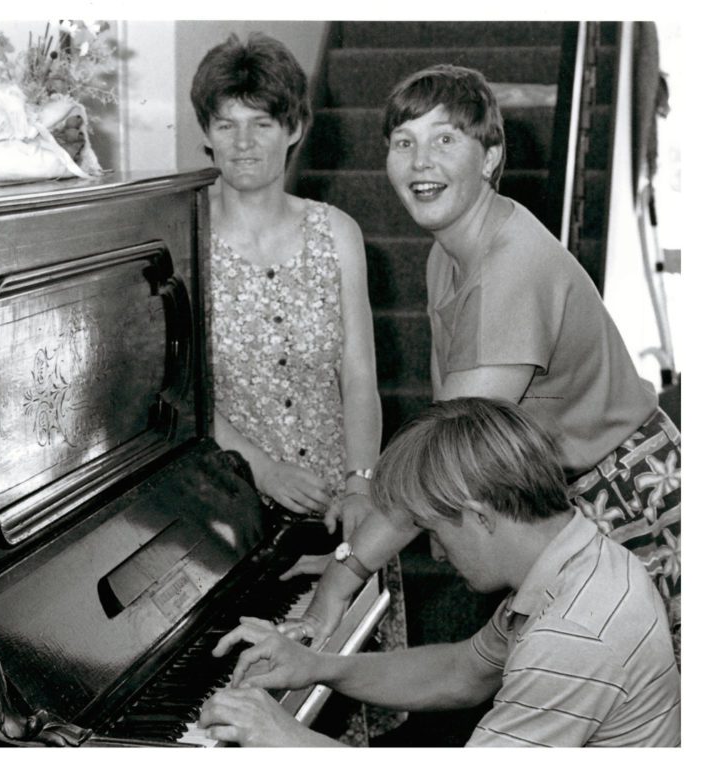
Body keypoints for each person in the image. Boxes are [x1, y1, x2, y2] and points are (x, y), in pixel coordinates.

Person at [283, 64, 681, 663]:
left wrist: (344, 574)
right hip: (557, 499)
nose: (420, 162)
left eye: (445, 139)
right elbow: (449, 424)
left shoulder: (510, 269)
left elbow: (447, 453)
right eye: (403, 142)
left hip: (624, 498)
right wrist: (363, 541)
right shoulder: (448, 253)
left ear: (491, 157)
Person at [198, 398, 680, 747]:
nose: (438, 553)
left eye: (434, 530)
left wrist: (283, 737)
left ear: (479, 515)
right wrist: (316, 668)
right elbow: (461, 673)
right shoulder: (578, 557)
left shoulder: (573, 635)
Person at [189, 32, 407, 744]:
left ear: (295, 130)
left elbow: (361, 377)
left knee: (339, 722)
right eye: (227, 122)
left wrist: (360, 481)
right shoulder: (181, 242)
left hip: (343, 516)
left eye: (263, 122)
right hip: (231, 524)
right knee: (247, 717)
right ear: (206, 135)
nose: (244, 142)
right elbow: (183, 394)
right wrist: (262, 466)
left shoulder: (336, 232)